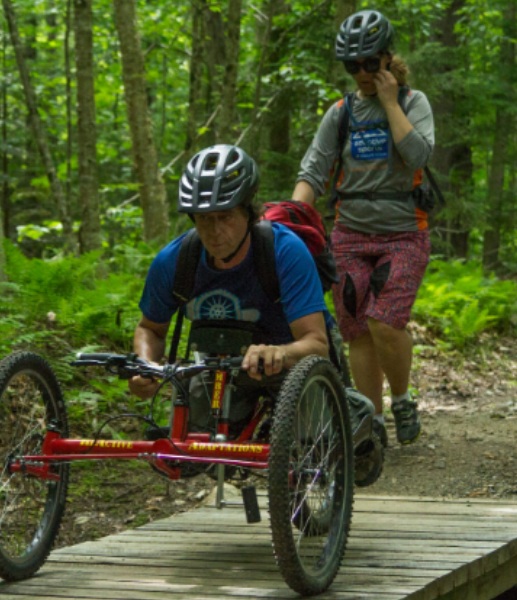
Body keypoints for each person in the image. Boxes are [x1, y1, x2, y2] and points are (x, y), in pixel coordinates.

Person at [291, 9, 432, 446]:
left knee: (385, 321)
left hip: (404, 232)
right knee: (356, 329)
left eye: (370, 62)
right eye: (353, 66)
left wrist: (389, 104)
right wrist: (293, 224)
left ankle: (403, 399)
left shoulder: (413, 102)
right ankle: (370, 425)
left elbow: (419, 155)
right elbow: (314, 170)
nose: (362, 73)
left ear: (388, 58)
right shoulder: (340, 113)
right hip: (349, 233)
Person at [130, 145, 330, 442]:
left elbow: (317, 344)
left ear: (248, 214)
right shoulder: (175, 260)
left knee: (317, 445)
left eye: (225, 217)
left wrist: (279, 352)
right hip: (218, 368)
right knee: (184, 451)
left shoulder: (284, 251)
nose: (214, 231)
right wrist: (145, 365)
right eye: (204, 219)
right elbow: (150, 329)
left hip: (290, 361)